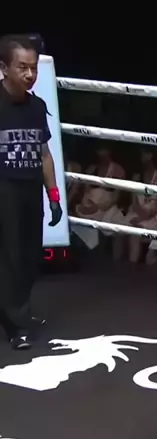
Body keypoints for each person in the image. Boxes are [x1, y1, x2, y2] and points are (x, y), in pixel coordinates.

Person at [0, 34, 62, 350]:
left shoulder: (37, 106)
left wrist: (53, 195)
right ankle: (17, 324)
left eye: (33, 68)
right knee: (10, 257)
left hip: (30, 188)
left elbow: (44, 154)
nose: (29, 74)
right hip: (4, 189)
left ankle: (18, 311)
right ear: (4, 68)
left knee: (30, 257)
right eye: (22, 67)